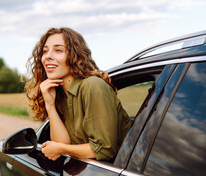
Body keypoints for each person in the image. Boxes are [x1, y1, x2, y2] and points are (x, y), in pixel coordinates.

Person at [26, 27, 132, 161]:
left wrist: (61, 149)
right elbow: (62, 144)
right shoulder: (60, 95)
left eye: (58, 50)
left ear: (76, 56)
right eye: (45, 51)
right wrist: (50, 105)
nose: (48, 56)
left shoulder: (92, 86)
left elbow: (104, 150)